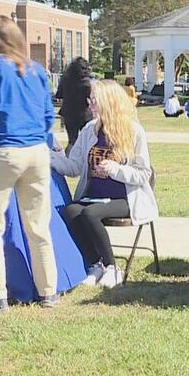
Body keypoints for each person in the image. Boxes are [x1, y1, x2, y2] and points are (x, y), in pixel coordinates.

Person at [0, 15, 59, 312]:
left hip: (4, 148)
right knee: (39, 225)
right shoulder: (37, 70)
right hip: (36, 151)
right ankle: (49, 292)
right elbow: (48, 115)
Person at [51, 80, 158, 288]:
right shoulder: (90, 130)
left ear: (109, 103)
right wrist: (51, 159)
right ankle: (95, 264)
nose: (90, 104)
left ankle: (112, 267)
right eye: (90, 100)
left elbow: (143, 173)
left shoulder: (134, 132)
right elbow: (74, 166)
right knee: (71, 211)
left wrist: (115, 170)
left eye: (94, 101)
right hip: (94, 195)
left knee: (90, 214)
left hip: (125, 198)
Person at [56, 57, 94, 149]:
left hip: (69, 114)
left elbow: (58, 95)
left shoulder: (65, 79)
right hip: (85, 114)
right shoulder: (88, 83)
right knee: (88, 141)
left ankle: (69, 160)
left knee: (72, 141)